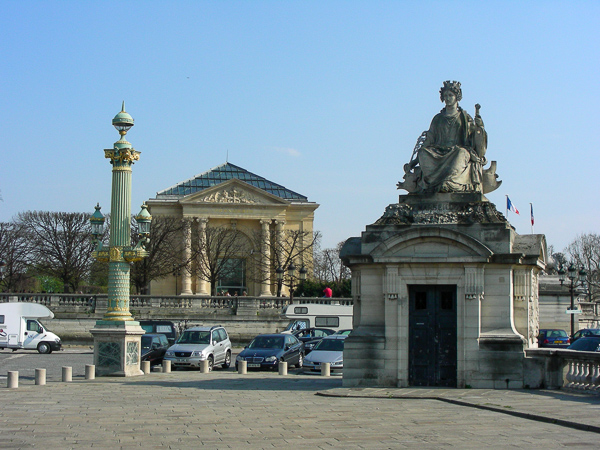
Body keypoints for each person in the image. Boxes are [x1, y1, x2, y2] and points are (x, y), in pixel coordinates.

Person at [400, 80, 487, 194]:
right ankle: (436, 183)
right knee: (423, 153)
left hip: (456, 152)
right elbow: (429, 141)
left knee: (461, 153)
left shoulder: (465, 118)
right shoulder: (438, 118)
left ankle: (451, 183)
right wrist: (413, 162)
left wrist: (479, 127)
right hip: (437, 153)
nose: (447, 98)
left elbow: (475, 141)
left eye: (450, 95)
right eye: (445, 96)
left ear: (457, 97)